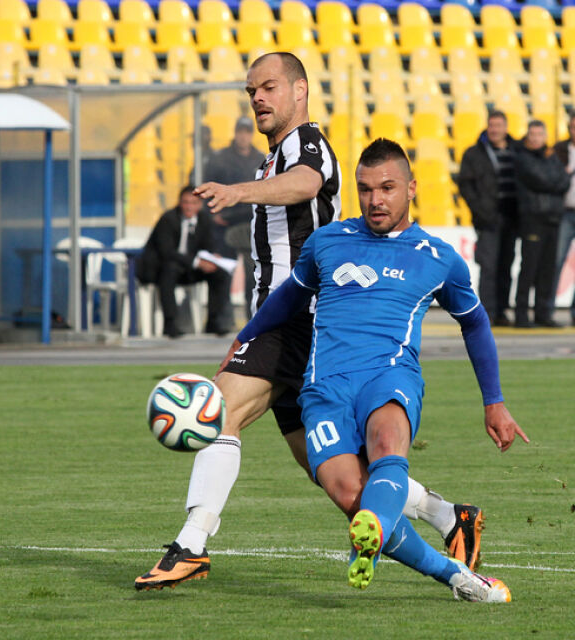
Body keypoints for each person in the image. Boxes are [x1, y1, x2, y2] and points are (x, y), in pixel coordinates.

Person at [135, 54, 485, 592]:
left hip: (298, 320)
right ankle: (447, 516)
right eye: (252, 90)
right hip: (288, 326)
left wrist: (237, 192)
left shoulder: (306, 143)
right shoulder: (271, 156)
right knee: (341, 480)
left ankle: (192, 545)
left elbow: (306, 182)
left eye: (269, 87)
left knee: (217, 413)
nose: (258, 98)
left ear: (299, 91)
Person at [227, 138, 528, 601]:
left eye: (387, 188)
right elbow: (289, 296)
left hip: (389, 376)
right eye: (366, 189)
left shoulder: (437, 256)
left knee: (388, 445)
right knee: (353, 498)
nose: (375, 200)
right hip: (324, 389)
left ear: (411, 188)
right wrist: (245, 336)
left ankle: (376, 536)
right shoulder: (327, 243)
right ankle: (456, 576)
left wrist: (495, 403)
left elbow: (475, 322)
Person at [134, 185, 232, 338]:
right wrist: (196, 262)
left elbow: (208, 244)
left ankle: (214, 321)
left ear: (199, 204)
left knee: (220, 274)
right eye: (185, 202)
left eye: (193, 203)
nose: (189, 207)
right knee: (170, 268)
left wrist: (212, 258)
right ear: (179, 203)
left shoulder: (204, 219)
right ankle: (170, 323)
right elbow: (166, 252)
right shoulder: (168, 219)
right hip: (161, 269)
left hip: (189, 269)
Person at [458, 110, 518, 326]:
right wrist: (479, 210)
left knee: (506, 266)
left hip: (512, 218)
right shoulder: (474, 153)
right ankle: (488, 313)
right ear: (487, 127)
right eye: (492, 125)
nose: (495, 130)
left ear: (506, 127)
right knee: (489, 266)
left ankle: (502, 311)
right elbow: (465, 184)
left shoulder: (516, 150)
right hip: (488, 219)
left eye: (499, 125)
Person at [204, 116, 266, 320]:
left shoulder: (260, 159)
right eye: (240, 131)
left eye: (247, 132)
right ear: (235, 133)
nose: (243, 136)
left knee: (252, 273)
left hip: (249, 223)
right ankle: (222, 318)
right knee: (224, 270)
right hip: (223, 224)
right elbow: (207, 187)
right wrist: (214, 215)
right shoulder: (220, 159)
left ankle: (252, 317)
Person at [514, 120, 570, 328]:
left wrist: (556, 180)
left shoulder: (550, 155)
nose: (536, 138)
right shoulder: (522, 157)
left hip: (552, 218)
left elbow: (564, 182)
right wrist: (557, 179)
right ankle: (521, 314)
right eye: (533, 134)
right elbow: (542, 180)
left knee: (548, 268)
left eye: (539, 134)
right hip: (533, 219)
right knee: (529, 267)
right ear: (528, 136)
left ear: (545, 136)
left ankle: (542, 313)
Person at [550, 113, 575, 326]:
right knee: (555, 261)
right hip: (565, 211)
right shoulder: (559, 150)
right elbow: (552, 180)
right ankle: (547, 310)